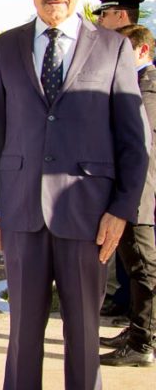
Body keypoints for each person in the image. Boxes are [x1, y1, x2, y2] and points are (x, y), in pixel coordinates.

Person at [0, 0, 149, 390]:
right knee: (22, 336)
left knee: (83, 335)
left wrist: (121, 209)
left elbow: (135, 142)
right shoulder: (6, 46)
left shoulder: (113, 48)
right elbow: (0, 133)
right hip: (21, 213)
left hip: (89, 215)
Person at [98, 24, 156, 368]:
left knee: (144, 268)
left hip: (139, 196)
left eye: (124, 50)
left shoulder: (145, 89)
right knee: (137, 267)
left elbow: (138, 151)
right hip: (135, 195)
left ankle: (142, 342)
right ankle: (138, 330)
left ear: (143, 52)